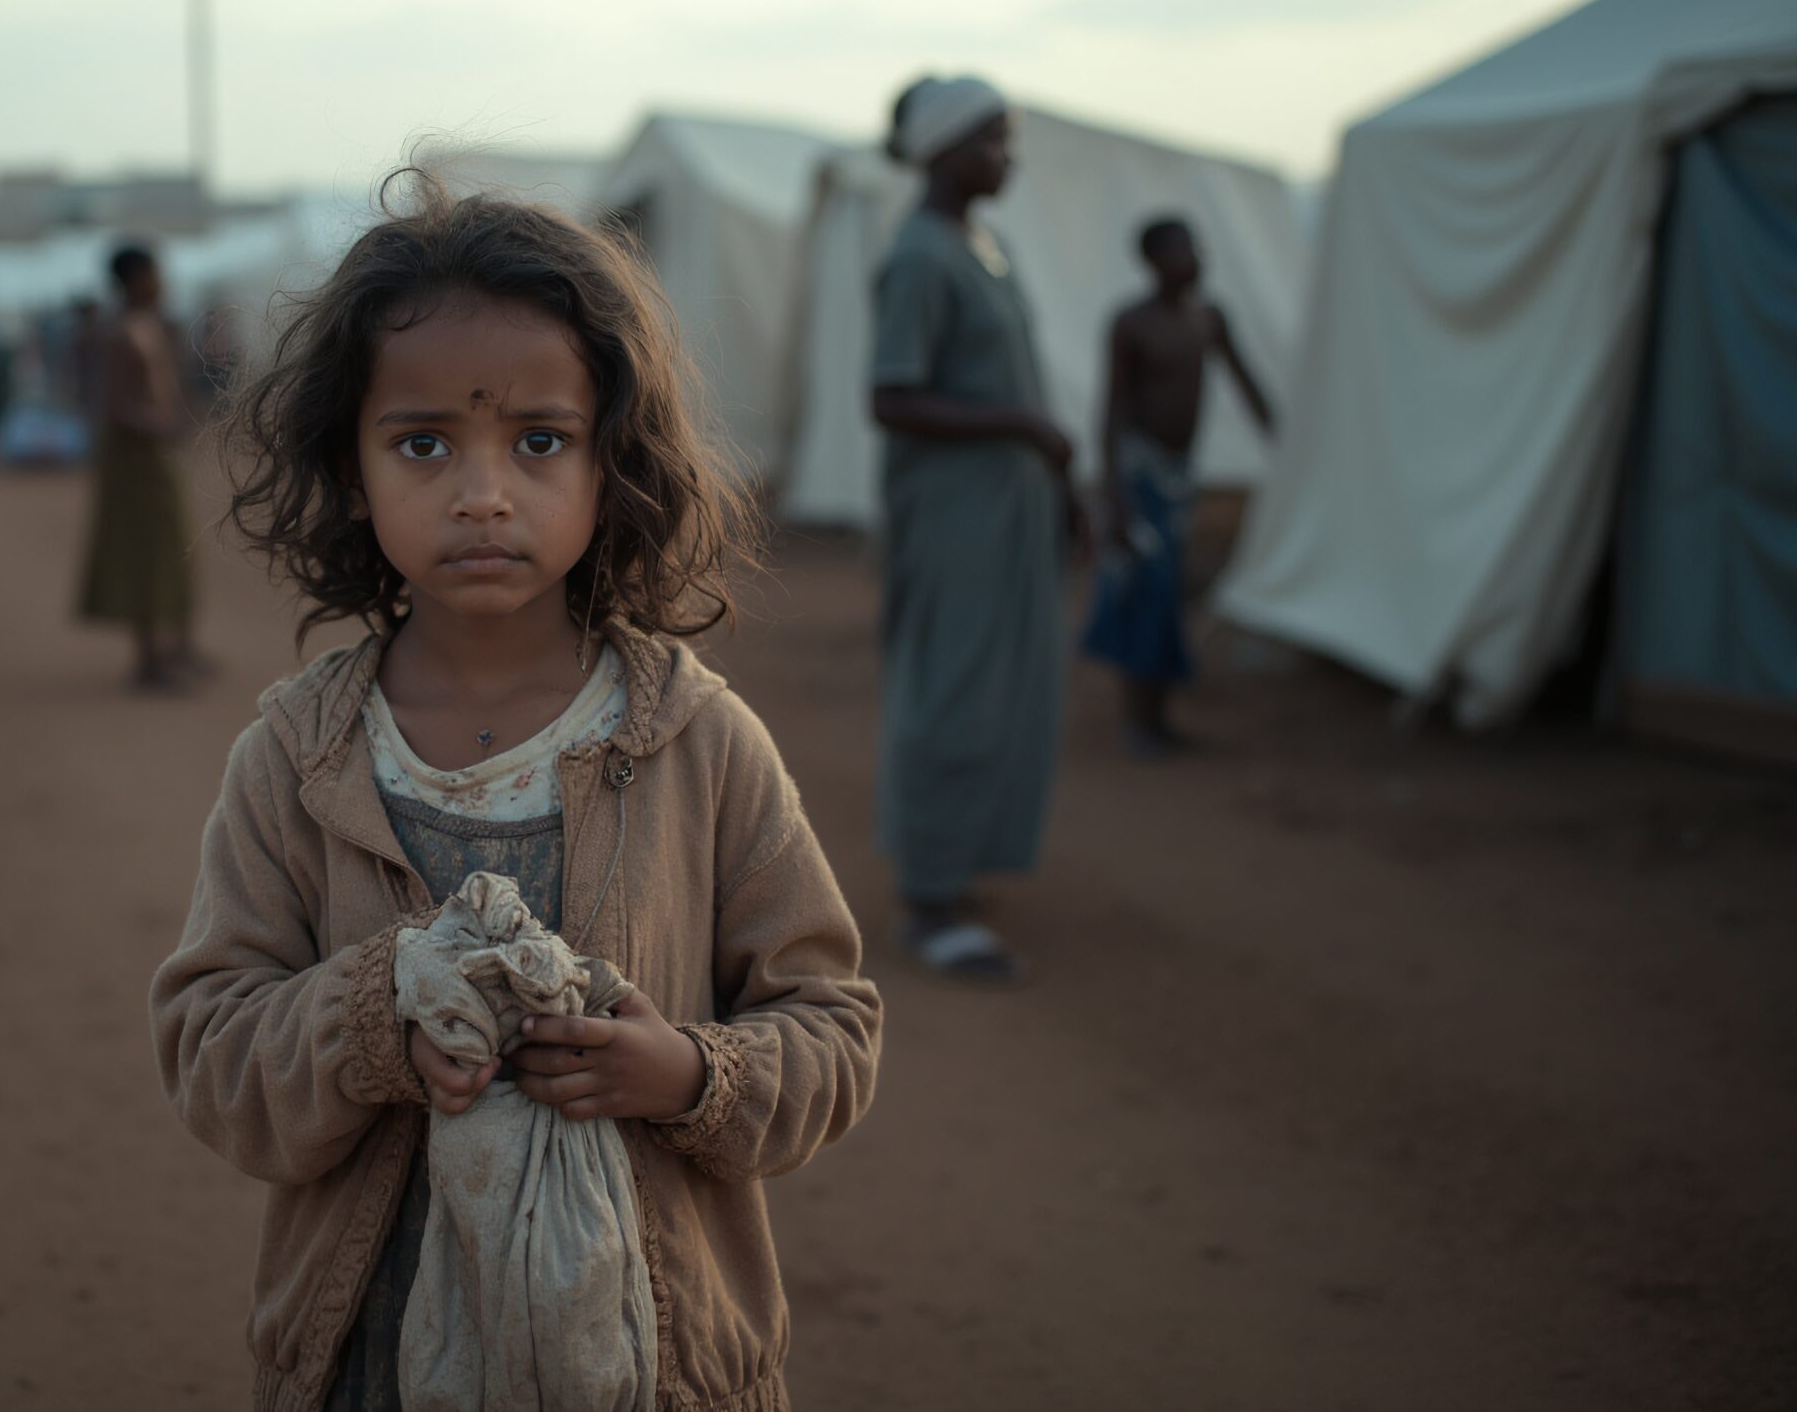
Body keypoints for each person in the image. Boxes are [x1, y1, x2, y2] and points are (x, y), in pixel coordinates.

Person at [151, 178, 881, 1411]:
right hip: (372, 1365)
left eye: (538, 440)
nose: (481, 492)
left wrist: (689, 1074)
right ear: (353, 464)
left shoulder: (701, 744)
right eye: (422, 442)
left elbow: (832, 1027)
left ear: (613, 460)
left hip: (642, 1367)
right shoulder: (297, 757)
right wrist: (373, 1018)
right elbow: (212, 1052)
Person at [868, 74, 1082, 986]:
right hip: (955, 513)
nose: (1008, 157)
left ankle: (960, 865)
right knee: (952, 688)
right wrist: (1023, 427)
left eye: (1010, 138)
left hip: (1006, 510)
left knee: (1000, 688)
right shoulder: (919, 255)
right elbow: (892, 394)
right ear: (942, 150)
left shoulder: (980, 244)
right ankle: (931, 898)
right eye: (993, 140)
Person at [1082, 217, 1276, 754]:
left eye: (1198, 249)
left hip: (1179, 477)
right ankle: (1137, 721)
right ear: (1154, 260)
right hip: (1142, 477)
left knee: (1167, 596)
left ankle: (1159, 717)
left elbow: (1247, 383)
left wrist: (1284, 445)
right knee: (1144, 591)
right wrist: (1115, 495)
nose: (1197, 260)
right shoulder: (1132, 323)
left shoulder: (1208, 318)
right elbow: (1113, 413)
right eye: (1184, 251)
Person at [74, 245, 202, 689]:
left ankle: (178, 646)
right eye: (153, 274)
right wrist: (161, 428)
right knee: (143, 552)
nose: (161, 281)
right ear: (133, 280)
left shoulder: (148, 324)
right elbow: (115, 406)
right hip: (132, 457)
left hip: (153, 452)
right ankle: (149, 661)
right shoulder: (118, 332)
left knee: (173, 546)